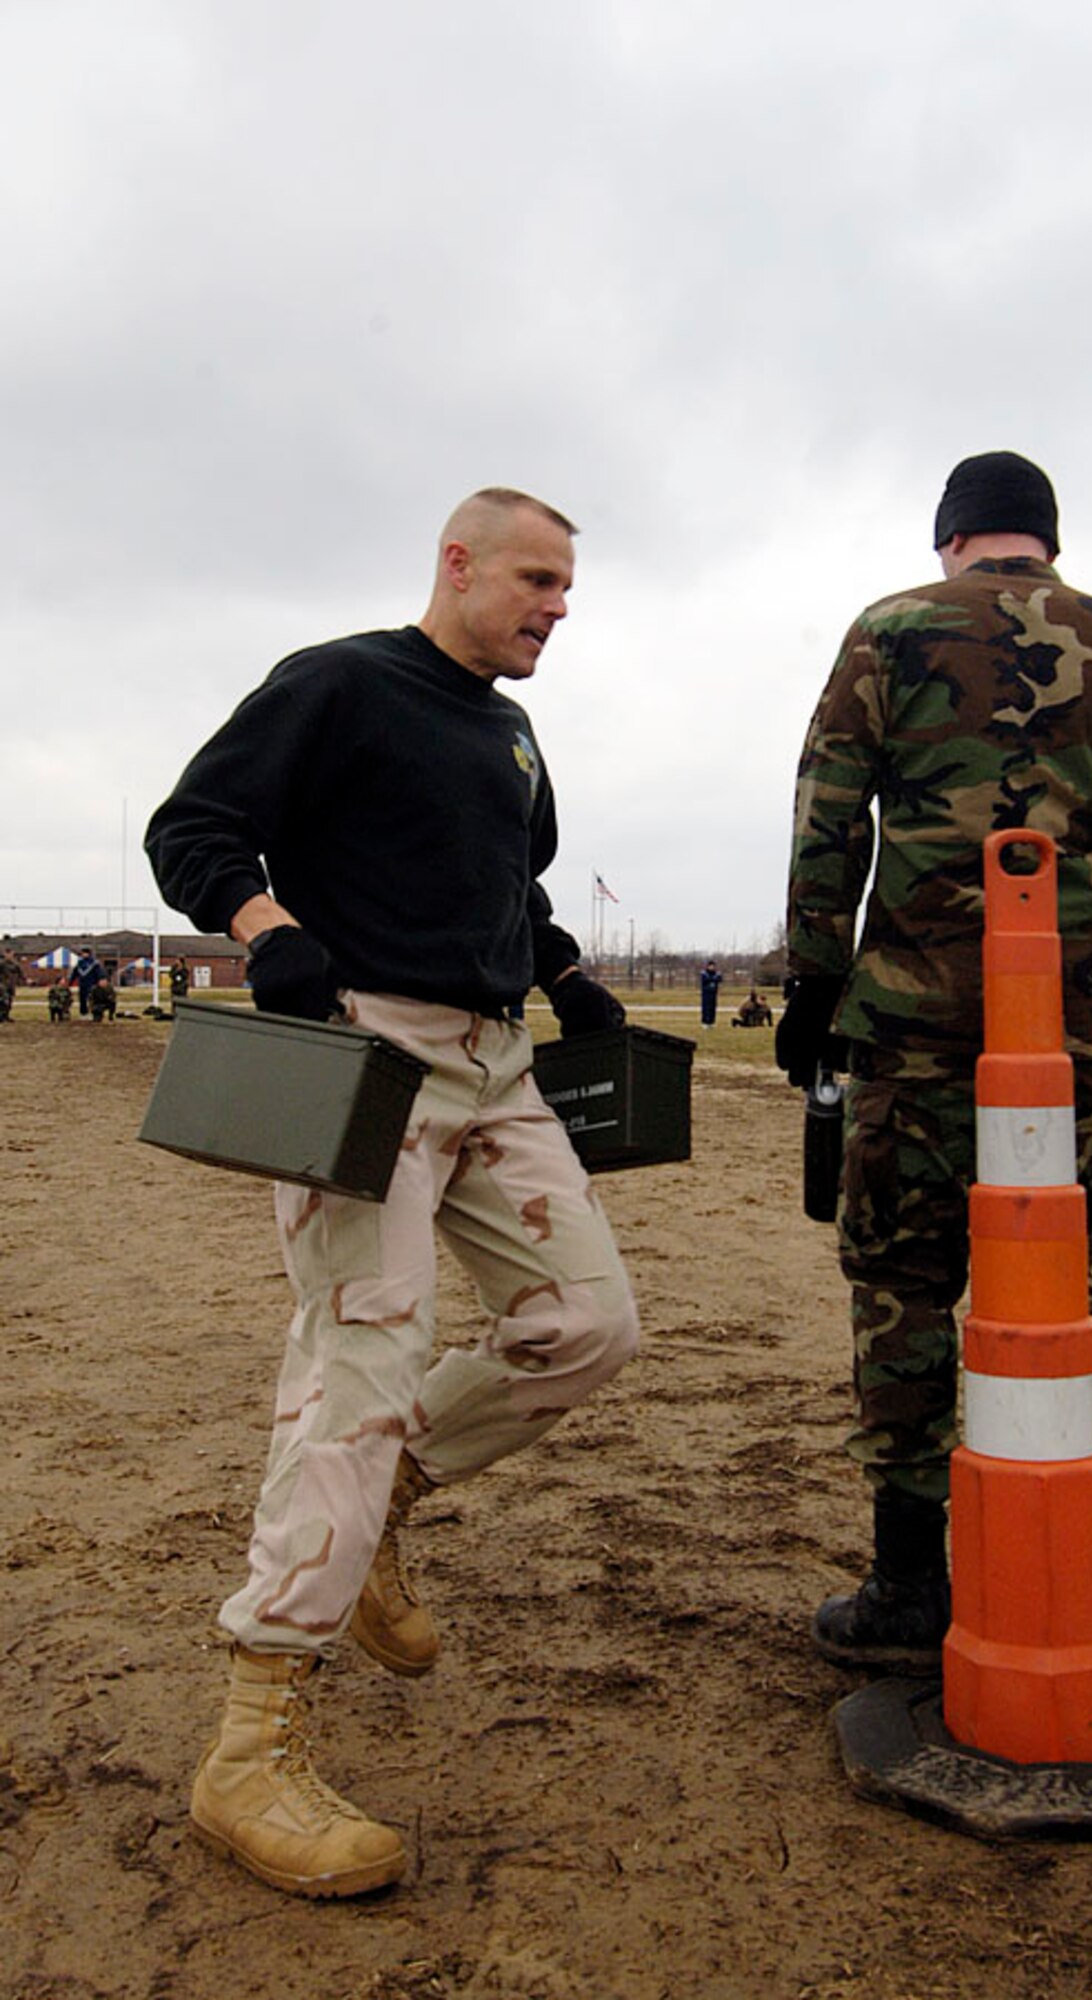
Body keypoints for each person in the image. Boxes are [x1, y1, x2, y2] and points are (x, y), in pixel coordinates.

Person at [145, 487, 639, 1900]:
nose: (555, 607)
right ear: (457, 562)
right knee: (360, 1367)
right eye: (535, 579)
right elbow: (196, 828)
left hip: (499, 1067)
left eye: (567, 590)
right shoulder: (341, 683)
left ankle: (385, 1512)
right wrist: (268, 933)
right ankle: (250, 1746)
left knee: (589, 1326)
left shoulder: (507, 728)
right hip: (366, 1061)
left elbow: (503, 883)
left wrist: (560, 970)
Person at [779, 449, 1092, 1672]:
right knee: (1044, 1287)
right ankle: (1040, 1548)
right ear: (1046, 537)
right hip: (1067, 1034)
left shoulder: (890, 632)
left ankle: (906, 1583)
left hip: (913, 1024)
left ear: (951, 537)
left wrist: (815, 973)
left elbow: (830, 804)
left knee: (903, 1283)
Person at [71, 947, 104, 1017]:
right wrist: (71, 981)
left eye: (84, 953)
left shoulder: (94, 963)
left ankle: (93, 1013)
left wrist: (100, 979)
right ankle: (83, 1013)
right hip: (82, 984)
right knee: (82, 999)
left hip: (91, 984)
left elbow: (99, 973)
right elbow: (75, 972)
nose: (82, 955)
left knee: (91, 999)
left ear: (88, 954)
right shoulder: (80, 963)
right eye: (82, 953)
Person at [699, 959, 723, 1028]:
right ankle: (705, 1023)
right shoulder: (704, 973)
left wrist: (715, 978)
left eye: (713, 966)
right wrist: (714, 979)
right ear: (708, 966)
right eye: (711, 966)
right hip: (706, 994)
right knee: (706, 1008)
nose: (712, 967)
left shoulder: (716, 973)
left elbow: (720, 979)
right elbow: (706, 980)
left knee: (713, 1008)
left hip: (713, 993)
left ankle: (712, 1022)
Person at [0, 947, 20, 1022]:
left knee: (10, 1001)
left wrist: (24, 980)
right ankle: (1, 1016)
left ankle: (6, 1016)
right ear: (5, 954)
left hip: (11, 985)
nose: (9, 956)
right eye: (7, 954)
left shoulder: (15, 964)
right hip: (3, 985)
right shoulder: (1, 963)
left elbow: (20, 973)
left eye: (11, 954)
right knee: (4, 1001)